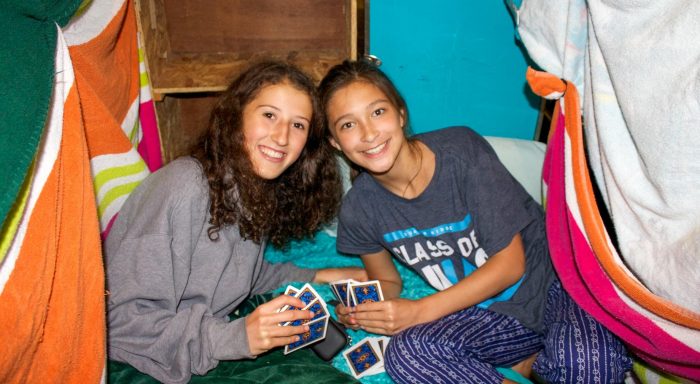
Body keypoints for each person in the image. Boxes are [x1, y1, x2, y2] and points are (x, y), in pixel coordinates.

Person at [319, 60, 632, 383]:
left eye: (378, 112)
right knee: (408, 355)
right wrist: (365, 308)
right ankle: (533, 360)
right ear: (334, 143)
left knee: (593, 365)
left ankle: (539, 359)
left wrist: (419, 311)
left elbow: (511, 266)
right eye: (348, 125)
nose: (369, 133)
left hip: (555, 284)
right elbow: (388, 282)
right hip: (492, 317)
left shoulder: (462, 152)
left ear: (400, 113)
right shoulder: (359, 208)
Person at [105, 60, 366, 383]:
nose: (282, 137)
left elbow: (238, 275)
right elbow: (118, 322)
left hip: (203, 342)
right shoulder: (185, 185)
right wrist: (236, 338)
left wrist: (323, 274)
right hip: (143, 363)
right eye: (269, 115)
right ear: (236, 116)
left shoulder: (253, 189)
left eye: (298, 125)